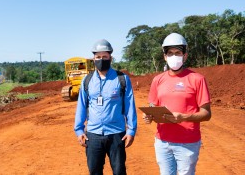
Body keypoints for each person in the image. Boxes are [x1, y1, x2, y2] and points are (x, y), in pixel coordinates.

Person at [143, 33, 211, 175]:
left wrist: (183, 117)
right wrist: (149, 115)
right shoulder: (158, 80)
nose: (174, 56)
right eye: (170, 53)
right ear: (165, 56)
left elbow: (206, 114)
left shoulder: (197, 79)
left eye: (178, 53)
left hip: (187, 143)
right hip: (162, 142)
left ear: (185, 55)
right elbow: (152, 106)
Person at [74, 39, 137, 175]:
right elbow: (81, 106)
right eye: (98, 57)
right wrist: (79, 130)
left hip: (117, 134)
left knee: (119, 171)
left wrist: (131, 130)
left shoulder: (122, 79)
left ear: (111, 58)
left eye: (105, 57)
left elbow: (130, 105)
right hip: (93, 135)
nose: (101, 59)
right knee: (94, 171)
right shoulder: (87, 80)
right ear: (93, 58)